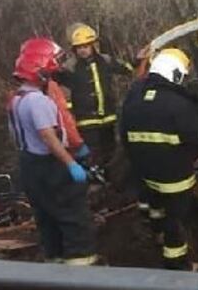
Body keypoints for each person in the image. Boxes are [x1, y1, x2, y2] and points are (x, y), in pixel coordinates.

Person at [8, 38, 97, 265]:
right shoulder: (38, 102)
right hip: (49, 166)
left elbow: (17, 136)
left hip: (29, 166)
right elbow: (49, 137)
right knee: (74, 220)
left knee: (47, 220)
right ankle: (82, 271)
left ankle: (55, 272)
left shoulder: (17, 99)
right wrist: (71, 164)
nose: (55, 68)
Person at [120, 48, 198, 270]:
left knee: (156, 206)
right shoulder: (179, 103)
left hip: (146, 172)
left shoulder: (134, 98)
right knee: (177, 221)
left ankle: (155, 235)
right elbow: (195, 139)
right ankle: (177, 264)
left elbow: (124, 136)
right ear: (174, 73)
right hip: (176, 176)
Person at [55, 23, 134, 172]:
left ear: (93, 45)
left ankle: (111, 177)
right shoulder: (69, 68)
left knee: (110, 150)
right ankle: (94, 178)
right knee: (92, 153)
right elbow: (60, 90)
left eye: (86, 46)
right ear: (74, 49)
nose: (83, 50)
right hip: (86, 120)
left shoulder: (105, 60)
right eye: (79, 47)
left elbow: (126, 68)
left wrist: (138, 61)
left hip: (108, 117)